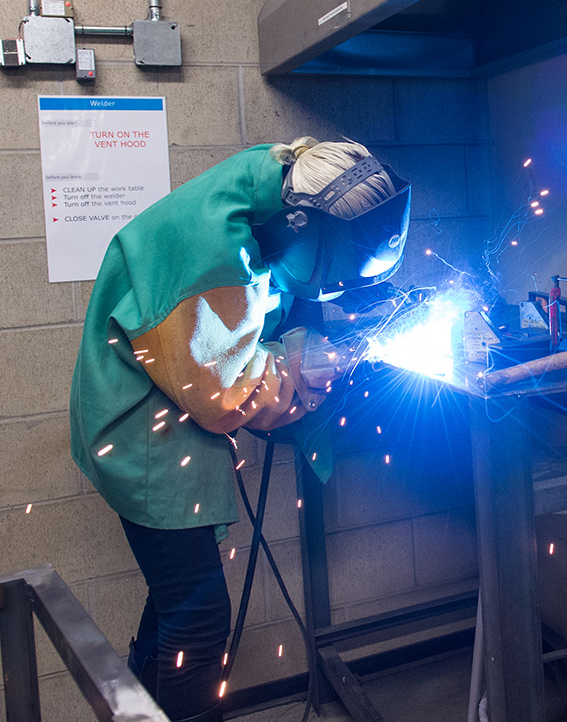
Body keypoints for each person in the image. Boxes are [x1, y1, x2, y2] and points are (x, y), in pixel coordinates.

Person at [70, 137, 410, 721]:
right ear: (298, 230)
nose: (337, 288)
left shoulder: (281, 176)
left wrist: (307, 337)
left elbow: (266, 302)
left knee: (175, 598)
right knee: (199, 624)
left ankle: (140, 710)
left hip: (159, 397)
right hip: (143, 432)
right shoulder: (214, 260)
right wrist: (301, 372)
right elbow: (226, 396)